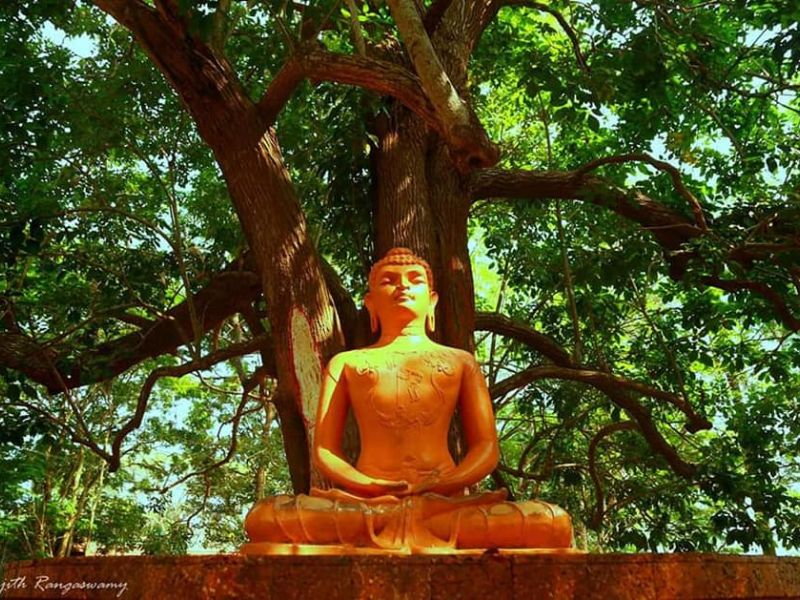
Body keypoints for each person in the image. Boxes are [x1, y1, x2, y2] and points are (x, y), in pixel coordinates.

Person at [243, 248, 572, 554]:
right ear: (370, 304)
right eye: (389, 281)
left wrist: (446, 483)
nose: (402, 287)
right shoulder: (347, 363)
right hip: (366, 507)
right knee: (265, 519)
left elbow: (485, 448)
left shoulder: (460, 362)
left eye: (414, 280)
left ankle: (414, 526)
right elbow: (325, 451)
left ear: (432, 302)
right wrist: (370, 485)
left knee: (550, 522)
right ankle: (388, 524)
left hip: (446, 506)